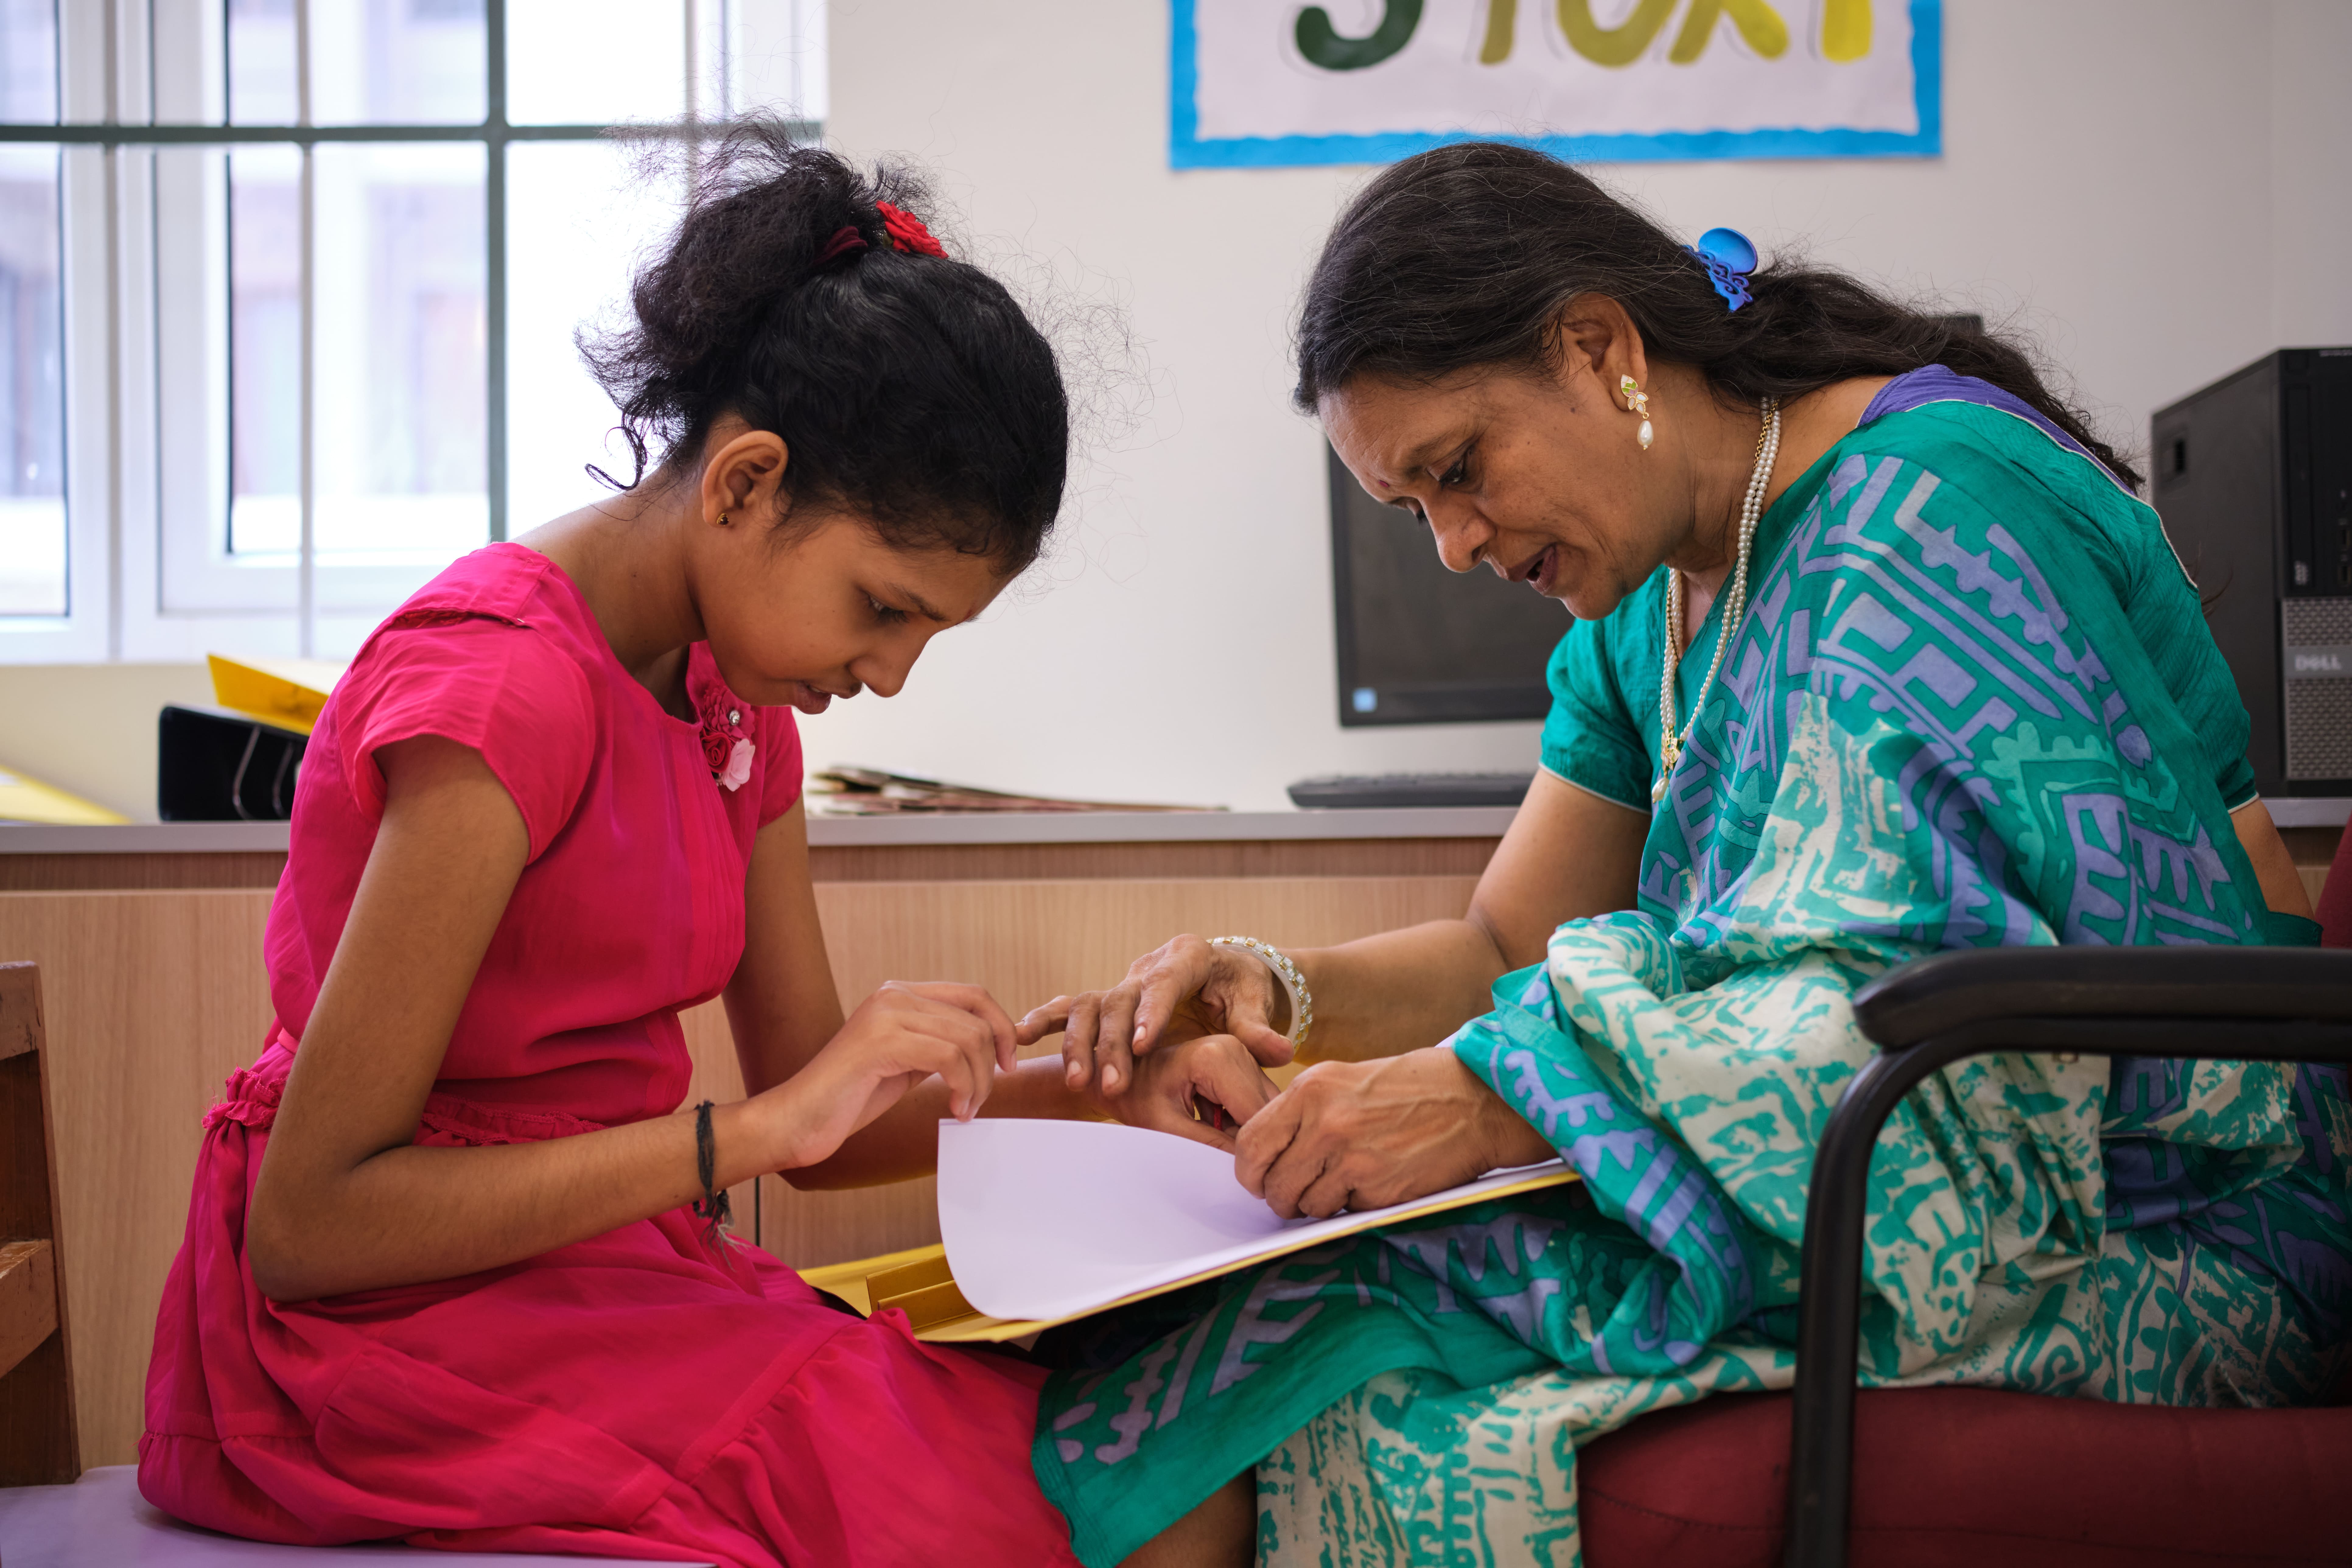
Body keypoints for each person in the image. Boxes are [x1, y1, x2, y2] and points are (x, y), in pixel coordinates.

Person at [1016, 143, 2352, 1566]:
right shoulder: (1644, 611)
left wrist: (1493, 1102)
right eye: (1414, 511)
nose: (1455, 549)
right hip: (1874, 1156)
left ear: (1599, 348)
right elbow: (1502, 948)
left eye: (1458, 472)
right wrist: (1274, 983)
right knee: (1252, 1327)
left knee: (1345, 1371)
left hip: (2150, 1201)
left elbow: (1939, 987)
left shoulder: (1936, 506)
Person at [137, 123, 1268, 1568]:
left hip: (600, 1283)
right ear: (746, 484)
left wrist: (1108, 1097)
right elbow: (310, 1223)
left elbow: (810, 1128)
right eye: (882, 606)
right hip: (376, 1331)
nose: (891, 673)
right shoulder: (502, 692)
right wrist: (742, 1134)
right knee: (1131, 1511)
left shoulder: (737, 702)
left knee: (1164, 1458)